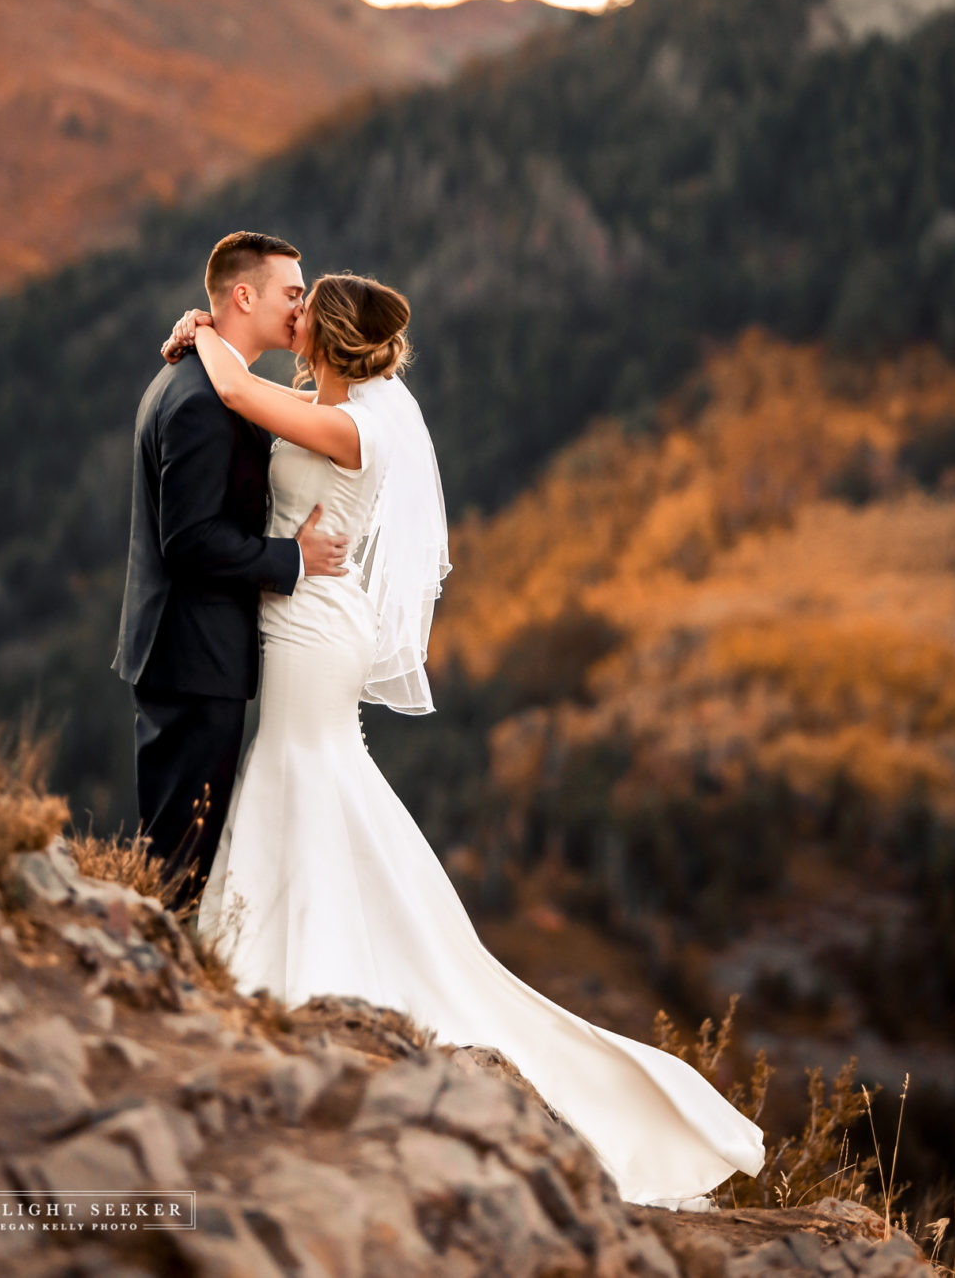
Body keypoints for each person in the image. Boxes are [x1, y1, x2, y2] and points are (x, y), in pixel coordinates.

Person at [158, 272, 766, 1207]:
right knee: (315, 780)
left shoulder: (357, 425)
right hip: (308, 614)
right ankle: (302, 965)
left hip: (314, 626)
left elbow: (239, 393)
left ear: (328, 340)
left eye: (304, 314)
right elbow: (255, 394)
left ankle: (295, 977)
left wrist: (202, 330)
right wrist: (210, 336)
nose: (293, 321)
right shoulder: (337, 404)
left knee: (302, 773)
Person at [111, 231, 350, 908]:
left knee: (179, 849)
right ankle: (156, 988)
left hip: (192, 655)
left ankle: (162, 975)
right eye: (293, 293)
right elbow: (190, 541)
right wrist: (294, 559)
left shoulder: (208, 382)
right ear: (244, 295)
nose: (302, 309)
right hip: (194, 657)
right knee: (179, 860)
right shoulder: (199, 403)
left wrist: (205, 332)